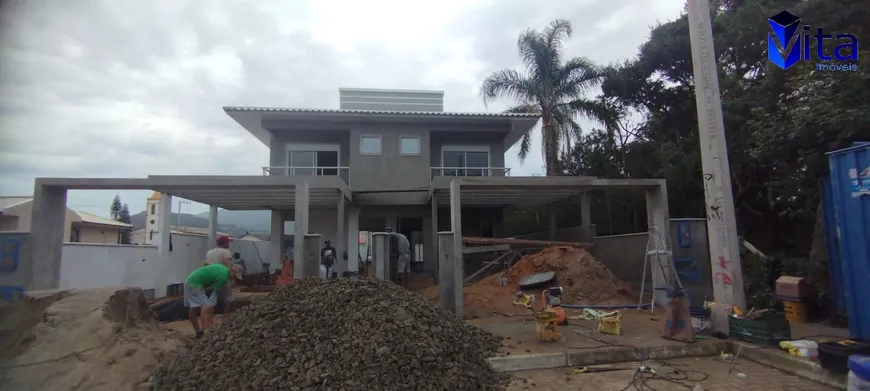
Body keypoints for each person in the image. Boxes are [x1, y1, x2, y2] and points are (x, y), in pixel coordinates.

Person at [184, 263, 243, 338]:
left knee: (193, 309)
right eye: (235, 277)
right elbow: (211, 290)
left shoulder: (223, 268)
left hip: (189, 281)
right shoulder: (223, 278)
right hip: (195, 285)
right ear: (232, 271)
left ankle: (198, 332)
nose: (234, 279)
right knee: (206, 307)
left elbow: (207, 264)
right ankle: (207, 334)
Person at [203, 235, 236, 311]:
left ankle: (211, 315)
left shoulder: (209, 252)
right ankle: (226, 317)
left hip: (211, 279)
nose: (229, 244)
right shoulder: (226, 252)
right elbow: (226, 265)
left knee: (213, 298)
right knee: (228, 299)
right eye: (228, 242)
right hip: (222, 278)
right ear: (225, 243)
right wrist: (231, 279)